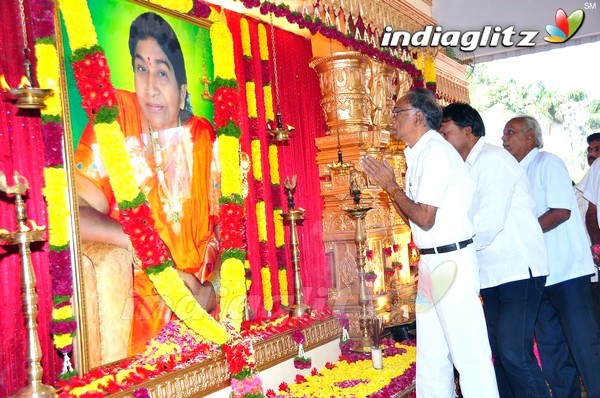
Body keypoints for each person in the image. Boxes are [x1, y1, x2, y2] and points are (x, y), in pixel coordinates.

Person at [74, 12, 219, 355]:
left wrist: (208, 292)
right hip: (137, 327)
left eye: (162, 73)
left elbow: (228, 238)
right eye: (142, 68)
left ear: (183, 92)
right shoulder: (114, 123)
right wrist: (135, 240)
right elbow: (75, 212)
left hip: (205, 320)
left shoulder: (202, 140)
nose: (150, 86)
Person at [361, 89, 499, 398]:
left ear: (419, 117)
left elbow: (424, 218)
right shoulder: (420, 154)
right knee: (432, 354)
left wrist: (391, 186)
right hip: (431, 263)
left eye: (398, 113)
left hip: (451, 261)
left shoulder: (436, 152)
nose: (392, 119)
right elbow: (413, 214)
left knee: (469, 354)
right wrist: (392, 189)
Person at [439, 103, 549, 397]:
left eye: (445, 131)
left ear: (468, 130)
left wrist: (455, 254)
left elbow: (487, 222)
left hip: (517, 269)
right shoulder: (464, 169)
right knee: (499, 355)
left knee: (515, 354)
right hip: (490, 275)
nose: (442, 139)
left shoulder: (492, 159)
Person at [502, 116, 600, 397]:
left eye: (511, 132)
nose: (504, 139)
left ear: (531, 136)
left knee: (585, 345)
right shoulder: (513, 173)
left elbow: (560, 211)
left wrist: (520, 234)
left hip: (567, 271)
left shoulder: (547, 163)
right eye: (504, 134)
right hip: (536, 274)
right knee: (552, 348)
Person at [575, 133, 600, 320]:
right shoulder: (577, 189)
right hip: (588, 265)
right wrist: (596, 247)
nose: (591, 154)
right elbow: (591, 216)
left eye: (597, 150)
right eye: (589, 150)